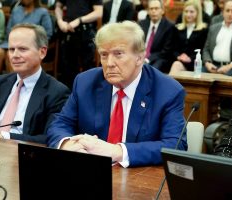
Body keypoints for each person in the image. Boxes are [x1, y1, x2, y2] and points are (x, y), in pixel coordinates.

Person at [46, 21, 187, 167]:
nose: (109, 63)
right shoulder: (85, 82)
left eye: (118, 54)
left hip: (139, 179)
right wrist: (67, 144)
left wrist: (117, 151)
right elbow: (60, 124)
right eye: (104, 55)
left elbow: (175, 145)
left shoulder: (168, 91)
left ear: (139, 57)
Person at [0, 23, 70, 144]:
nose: (14, 55)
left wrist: (1, 136)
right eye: (11, 49)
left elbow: (50, 138)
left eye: (22, 49)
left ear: (42, 52)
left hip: (22, 154)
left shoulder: (57, 92)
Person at [0, 0, 53, 76]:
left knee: (10, 56)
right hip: (11, 43)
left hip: (29, 45)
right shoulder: (16, 10)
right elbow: (9, 29)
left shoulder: (42, 12)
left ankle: (14, 84)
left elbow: (48, 33)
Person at [55, 0, 103, 89]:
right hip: (67, 30)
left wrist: (79, 20)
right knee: (67, 68)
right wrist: (60, 20)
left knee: (88, 68)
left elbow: (98, 12)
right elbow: (58, 6)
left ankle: (87, 93)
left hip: (86, 30)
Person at [202, 0, 232, 76]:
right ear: (223, 12)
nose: (230, 14)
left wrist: (230, 66)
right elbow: (206, 49)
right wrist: (207, 63)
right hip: (212, 65)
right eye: (227, 10)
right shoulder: (214, 28)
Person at [169, 0, 208, 74]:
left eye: (191, 12)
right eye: (186, 11)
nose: (188, 14)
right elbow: (172, 48)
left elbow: (203, 50)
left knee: (176, 66)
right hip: (179, 61)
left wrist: (190, 58)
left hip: (195, 63)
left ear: (197, 13)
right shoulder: (178, 28)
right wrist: (178, 56)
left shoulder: (203, 30)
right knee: (176, 65)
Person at [138, 0, 175, 73]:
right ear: (148, 11)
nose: (153, 11)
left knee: (151, 69)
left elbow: (165, 51)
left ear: (162, 11)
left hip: (159, 58)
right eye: (151, 9)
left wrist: (147, 59)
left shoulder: (169, 26)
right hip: (140, 56)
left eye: (156, 8)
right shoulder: (142, 24)